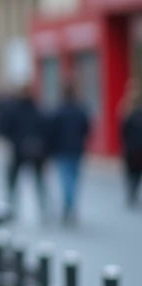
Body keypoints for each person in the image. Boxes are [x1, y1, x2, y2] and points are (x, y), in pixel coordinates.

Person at [0, 85, 51, 219]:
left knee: (13, 183)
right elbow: (47, 131)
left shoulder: (12, 110)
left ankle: (11, 209)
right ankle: (44, 210)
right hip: (37, 152)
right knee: (39, 183)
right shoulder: (38, 110)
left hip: (17, 151)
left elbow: (1, 129)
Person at [50, 84, 91, 224]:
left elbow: (53, 131)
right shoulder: (80, 110)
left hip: (62, 149)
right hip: (77, 149)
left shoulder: (58, 111)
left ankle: (69, 204)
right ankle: (71, 204)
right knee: (74, 177)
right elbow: (86, 128)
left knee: (66, 178)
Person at [120, 80, 142, 208]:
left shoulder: (126, 113)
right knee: (137, 171)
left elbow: (122, 131)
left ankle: (131, 191)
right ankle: (133, 190)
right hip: (139, 148)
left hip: (130, 148)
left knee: (130, 171)